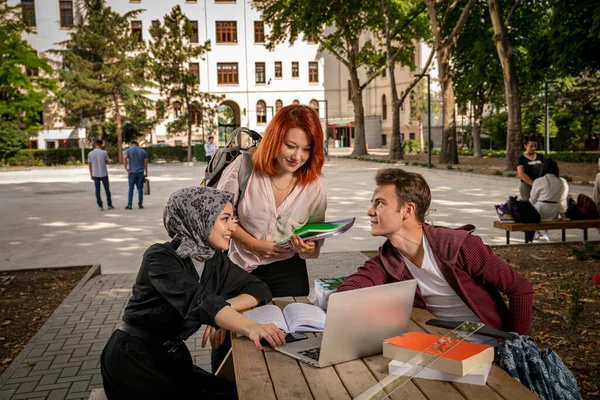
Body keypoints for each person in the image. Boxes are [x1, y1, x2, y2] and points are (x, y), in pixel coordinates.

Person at [100, 187, 286, 399]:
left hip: (172, 357)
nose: (232, 227)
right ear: (199, 218)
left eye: (232, 219)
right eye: (225, 219)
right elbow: (198, 301)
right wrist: (251, 327)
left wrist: (225, 310)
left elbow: (258, 288)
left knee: (237, 393)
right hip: (133, 360)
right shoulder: (160, 257)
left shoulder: (214, 260)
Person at [337, 168, 534, 338]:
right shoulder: (387, 261)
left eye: (379, 203)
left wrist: (518, 346)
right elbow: (346, 294)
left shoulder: (458, 246)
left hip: (490, 348)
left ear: (407, 210)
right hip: (438, 348)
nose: (370, 211)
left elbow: (519, 287)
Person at [217, 104, 327, 298]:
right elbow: (219, 217)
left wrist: (310, 245)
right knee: (241, 325)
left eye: (306, 149)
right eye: (290, 146)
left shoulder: (314, 185)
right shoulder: (244, 168)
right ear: (275, 140)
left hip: (291, 272)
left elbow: (316, 228)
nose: (297, 156)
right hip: (241, 267)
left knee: (293, 325)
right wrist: (253, 244)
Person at [529, 159, 569, 242]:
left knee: (533, 209)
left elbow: (532, 199)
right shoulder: (562, 181)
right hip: (554, 211)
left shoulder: (538, 181)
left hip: (541, 209)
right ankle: (542, 233)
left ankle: (542, 233)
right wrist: (563, 216)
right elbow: (562, 200)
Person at [88, 139, 114, 211]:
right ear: (101, 144)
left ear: (95, 144)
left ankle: (100, 206)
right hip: (103, 173)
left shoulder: (90, 153)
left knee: (97, 190)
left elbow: (89, 164)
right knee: (107, 189)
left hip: (95, 174)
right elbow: (107, 161)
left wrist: (91, 174)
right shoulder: (104, 152)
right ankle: (109, 204)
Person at [517, 135, 544, 201]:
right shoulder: (521, 158)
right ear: (525, 146)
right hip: (527, 185)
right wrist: (533, 184)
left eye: (535, 146)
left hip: (540, 185)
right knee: (528, 205)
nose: (533, 148)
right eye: (531, 146)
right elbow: (521, 174)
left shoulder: (540, 156)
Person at [123, 141, 148, 210]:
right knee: (140, 188)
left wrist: (126, 168)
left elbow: (125, 158)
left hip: (131, 172)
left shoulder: (128, 150)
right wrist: (146, 171)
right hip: (140, 172)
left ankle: (129, 204)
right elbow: (145, 162)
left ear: (131, 144)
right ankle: (140, 204)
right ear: (137, 145)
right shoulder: (143, 151)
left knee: (131, 188)